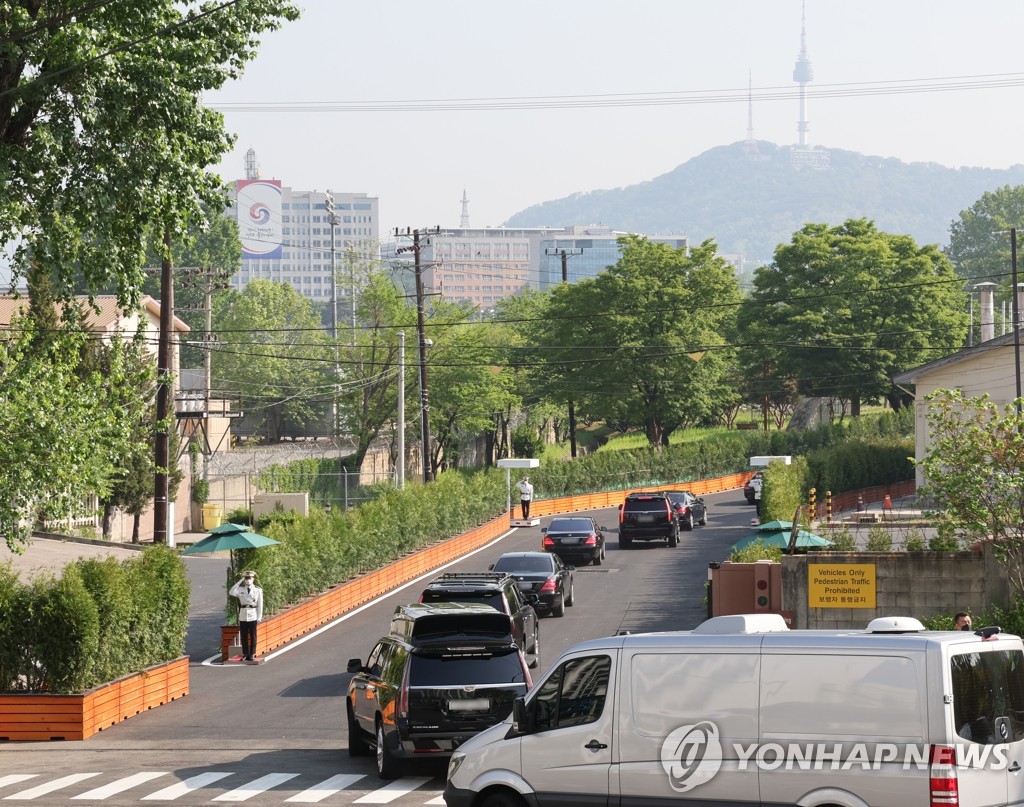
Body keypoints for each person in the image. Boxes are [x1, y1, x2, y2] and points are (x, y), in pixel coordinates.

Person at [229, 570, 264, 663]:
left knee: (253, 636)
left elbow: (260, 604)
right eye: (246, 578)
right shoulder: (240, 589)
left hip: (253, 614)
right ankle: (245, 654)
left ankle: (252, 654)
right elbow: (231, 592)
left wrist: (259, 616)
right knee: (244, 636)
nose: (248, 580)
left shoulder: (258, 590)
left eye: (250, 578)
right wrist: (239, 581)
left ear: (253, 579)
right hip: (243, 614)